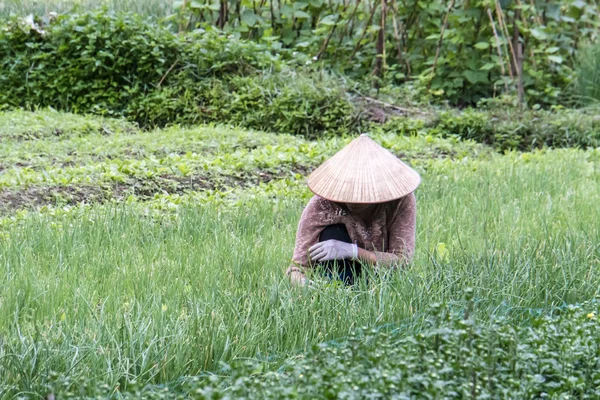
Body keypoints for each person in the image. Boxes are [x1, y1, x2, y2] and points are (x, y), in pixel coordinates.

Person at [286, 134, 420, 286]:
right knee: (332, 232)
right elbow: (297, 267)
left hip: (381, 278)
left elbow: (402, 261)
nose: (354, 201)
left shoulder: (400, 201)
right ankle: (341, 291)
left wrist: (354, 252)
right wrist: (305, 285)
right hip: (338, 277)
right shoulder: (323, 204)